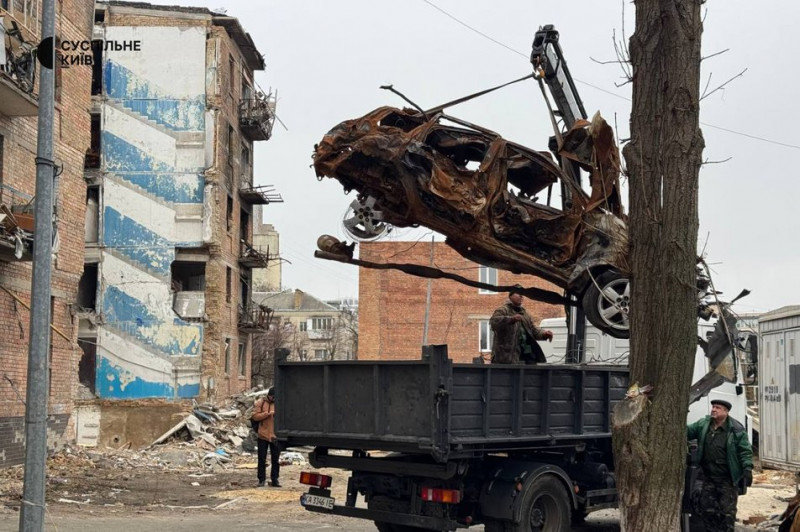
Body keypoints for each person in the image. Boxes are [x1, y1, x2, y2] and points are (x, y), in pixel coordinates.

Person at [687, 399, 754, 532]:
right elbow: (688, 431)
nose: (713, 409)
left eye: (717, 407)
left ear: (726, 411)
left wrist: (747, 468)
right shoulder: (704, 424)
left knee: (726, 513)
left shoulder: (736, 429)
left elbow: (745, 450)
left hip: (727, 479)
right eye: (713, 407)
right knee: (707, 510)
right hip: (708, 477)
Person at [489, 285, 553, 364]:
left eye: (522, 294)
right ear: (510, 296)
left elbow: (533, 329)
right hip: (506, 357)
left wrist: (544, 334)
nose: (521, 296)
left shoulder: (524, 313)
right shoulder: (503, 310)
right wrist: (510, 319)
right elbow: (493, 322)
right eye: (518, 293)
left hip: (525, 355)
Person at [252, 386, 281, 487]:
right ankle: (261, 479)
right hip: (263, 435)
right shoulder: (260, 402)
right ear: (269, 396)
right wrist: (268, 414)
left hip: (275, 436)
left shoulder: (279, 403)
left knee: (276, 459)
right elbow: (255, 416)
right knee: (261, 458)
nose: (274, 399)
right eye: (273, 397)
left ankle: (275, 479)